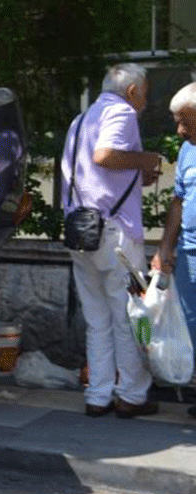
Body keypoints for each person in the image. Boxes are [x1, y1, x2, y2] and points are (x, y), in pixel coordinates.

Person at [61, 62, 164, 418]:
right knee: (135, 316)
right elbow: (104, 156)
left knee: (97, 320)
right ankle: (132, 395)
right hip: (117, 236)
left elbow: (88, 173)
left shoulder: (80, 120)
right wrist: (148, 158)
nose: (146, 103)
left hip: (81, 233)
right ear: (132, 90)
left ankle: (98, 395)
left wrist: (135, 175)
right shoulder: (122, 112)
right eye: (146, 94)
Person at [150, 82, 196, 416]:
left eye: (185, 121)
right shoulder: (186, 151)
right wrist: (165, 247)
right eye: (177, 120)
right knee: (191, 326)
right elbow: (178, 200)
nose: (179, 130)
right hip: (190, 253)